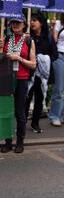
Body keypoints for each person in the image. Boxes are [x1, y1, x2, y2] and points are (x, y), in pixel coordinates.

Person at [0, 14, 36, 153]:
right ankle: (8, 142)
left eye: (18, 22)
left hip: (22, 79)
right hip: (7, 79)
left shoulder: (28, 40)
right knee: (6, 111)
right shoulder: (7, 39)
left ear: (24, 24)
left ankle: (20, 142)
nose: (15, 25)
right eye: (13, 22)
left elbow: (33, 65)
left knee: (20, 111)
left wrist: (19, 58)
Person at [25, 12, 58, 133]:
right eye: (31, 20)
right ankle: (22, 123)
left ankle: (35, 123)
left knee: (39, 99)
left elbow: (55, 55)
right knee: (26, 98)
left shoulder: (48, 38)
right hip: (29, 73)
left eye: (35, 20)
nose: (32, 22)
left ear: (41, 23)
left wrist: (43, 60)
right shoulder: (27, 37)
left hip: (42, 75)